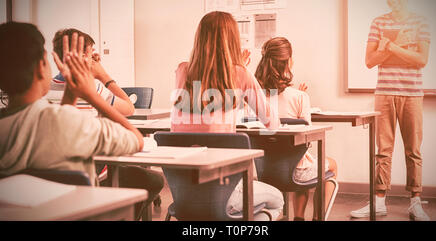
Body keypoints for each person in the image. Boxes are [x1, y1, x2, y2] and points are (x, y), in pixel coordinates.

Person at [0, 22, 162, 220]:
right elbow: (136, 139)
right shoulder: (70, 121)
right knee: (154, 180)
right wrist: (91, 94)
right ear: (42, 68)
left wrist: (72, 94)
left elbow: (57, 123)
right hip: (81, 211)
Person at [170, 11, 284, 221]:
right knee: (277, 200)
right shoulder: (240, 74)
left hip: (183, 197)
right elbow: (273, 123)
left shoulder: (182, 70)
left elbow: (192, 116)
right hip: (225, 193)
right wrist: (242, 74)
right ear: (233, 39)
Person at [350, 0, 431, 221]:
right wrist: (400, 46)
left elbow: (421, 60)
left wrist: (390, 46)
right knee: (383, 150)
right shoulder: (378, 23)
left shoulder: (420, 22)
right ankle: (378, 201)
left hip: (412, 94)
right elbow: (370, 60)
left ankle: (415, 202)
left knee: (413, 150)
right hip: (384, 93)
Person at [255, 37, 338, 221]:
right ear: (288, 62)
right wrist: (302, 99)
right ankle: (315, 218)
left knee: (299, 160)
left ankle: (299, 217)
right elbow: (305, 138)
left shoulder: (254, 97)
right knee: (327, 164)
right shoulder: (299, 97)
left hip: (264, 171)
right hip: (295, 173)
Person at [48, 28, 135, 117]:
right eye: (91, 53)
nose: (93, 57)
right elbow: (129, 109)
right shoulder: (94, 90)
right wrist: (103, 76)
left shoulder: (46, 89)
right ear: (83, 57)